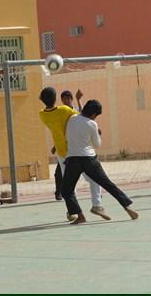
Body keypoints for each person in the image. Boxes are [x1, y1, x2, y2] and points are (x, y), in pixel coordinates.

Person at [62, 99, 139, 224]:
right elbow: (97, 144)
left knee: (66, 190)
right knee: (107, 184)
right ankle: (127, 207)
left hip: (73, 159)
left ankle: (80, 215)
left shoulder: (72, 119)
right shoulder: (92, 124)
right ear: (94, 114)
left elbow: (67, 137)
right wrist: (97, 134)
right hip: (89, 159)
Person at [38, 87, 109, 220]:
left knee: (68, 184)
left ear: (41, 100)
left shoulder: (42, 115)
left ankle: (73, 211)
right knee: (94, 179)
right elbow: (82, 117)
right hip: (75, 151)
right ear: (56, 98)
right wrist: (93, 126)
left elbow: (60, 128)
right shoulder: (64, 110)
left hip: (61, 152)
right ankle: (97, 205)